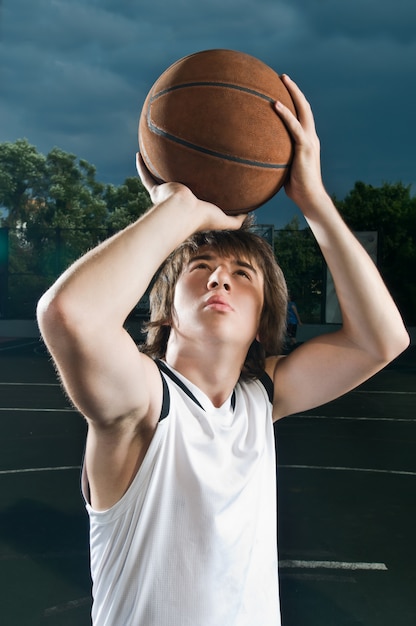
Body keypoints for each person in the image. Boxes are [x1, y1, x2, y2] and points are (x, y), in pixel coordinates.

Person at [36, 74, 409, 626]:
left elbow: (383, 340)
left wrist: (314, 198)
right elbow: (69, 314)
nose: (219, 281)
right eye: (200, 269)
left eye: (241, 275)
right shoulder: (143, 405)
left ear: (263, 323)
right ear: (167, 310)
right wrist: (179, 209)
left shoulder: (260, 400)